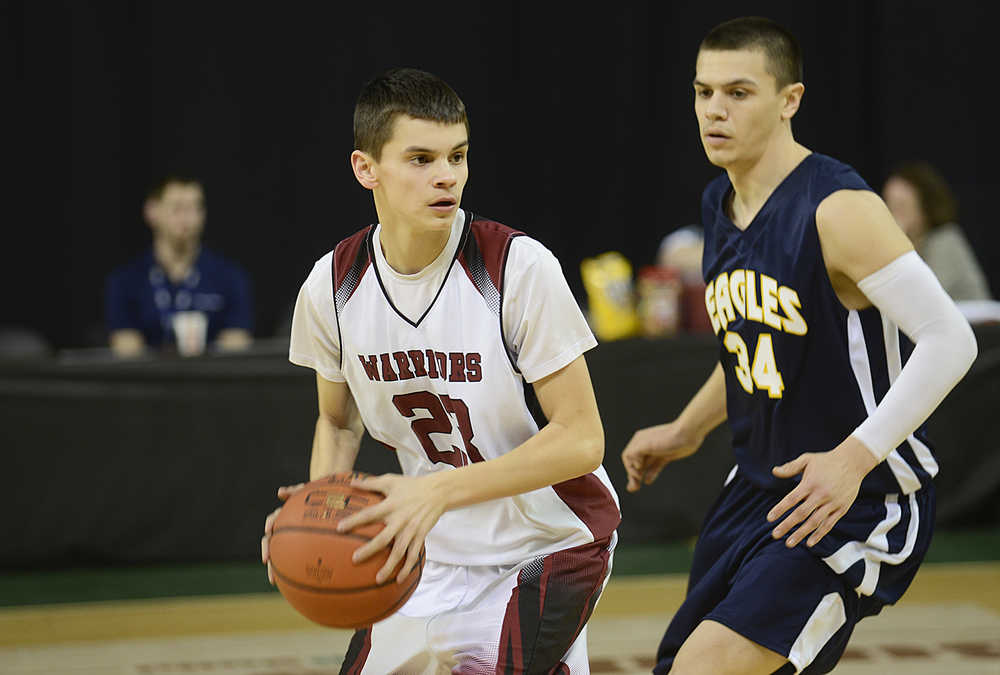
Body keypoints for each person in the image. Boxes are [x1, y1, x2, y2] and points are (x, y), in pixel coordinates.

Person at [621, 17, 977, 675]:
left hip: (859, 496)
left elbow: (952, 339)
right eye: (703, 92)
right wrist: (685, 428)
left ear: (790, 100)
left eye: (738, 92)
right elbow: (747, 347)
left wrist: (851, 459)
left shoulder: (837, 207)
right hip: (760, 487)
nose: (714, 110)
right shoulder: (718, 202)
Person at [261, 68, 620, 673]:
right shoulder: (332, 287)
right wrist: (321, 507)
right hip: (426, 542)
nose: (446, 174)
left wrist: (434, 491)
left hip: (549, 541)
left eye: (457, 155)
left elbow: (583, 440)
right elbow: (336, 419)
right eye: (421, 158)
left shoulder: (516, 268)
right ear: (365, 168)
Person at [104, 175, 254, 357]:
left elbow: (236, 346)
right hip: (147, 382)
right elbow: (125, 349)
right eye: (177, 208)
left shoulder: (230, 277)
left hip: (210, 381)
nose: (186, 218)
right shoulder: (126, 280)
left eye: (194, 208)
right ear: (152, 211)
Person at [882, 160, 993, 302]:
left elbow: (921, 297)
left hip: (974, 322)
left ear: (925, 206)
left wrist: (896, 243)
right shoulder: (913, 246)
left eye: (901, 206)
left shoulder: (946, 240)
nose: (894, 215)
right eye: (890, 206)